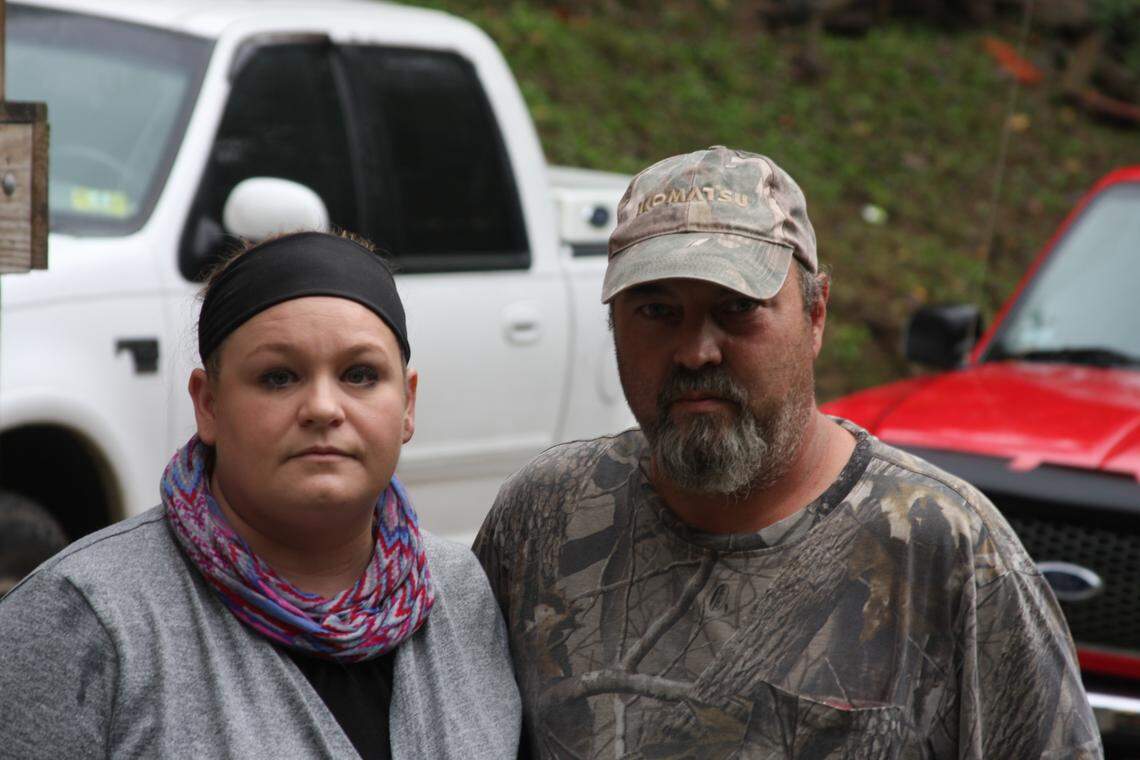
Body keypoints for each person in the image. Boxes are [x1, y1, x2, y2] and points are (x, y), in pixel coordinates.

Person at [475, 146, 1101, 758]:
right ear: (614, 324)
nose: (696, 351)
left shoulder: (944, 547)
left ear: (816, 314)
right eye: (657, 311)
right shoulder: (547, 517)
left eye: (738, 308)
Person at [0, 231, 520, 759]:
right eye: (278, 377)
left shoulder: (459, 593)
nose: (323, 407)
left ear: (407, 404)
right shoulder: (84, 620)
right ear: (209, 405)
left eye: (360, 375)